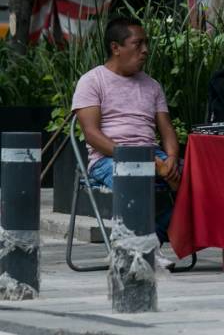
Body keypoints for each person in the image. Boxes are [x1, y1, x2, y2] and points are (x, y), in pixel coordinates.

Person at [72, 17, 181, 266]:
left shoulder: (152, 86)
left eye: (146, 43)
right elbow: (92, 134)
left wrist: (171, 159)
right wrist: (142, 160)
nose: (145, 50)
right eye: (138, 43)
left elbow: (167, 130)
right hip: (109, 158)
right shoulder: (92, 81)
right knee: (135, 175)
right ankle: (141, 247)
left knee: (198, 181)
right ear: (115, 47)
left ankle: (150, 241)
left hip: (153, 154)